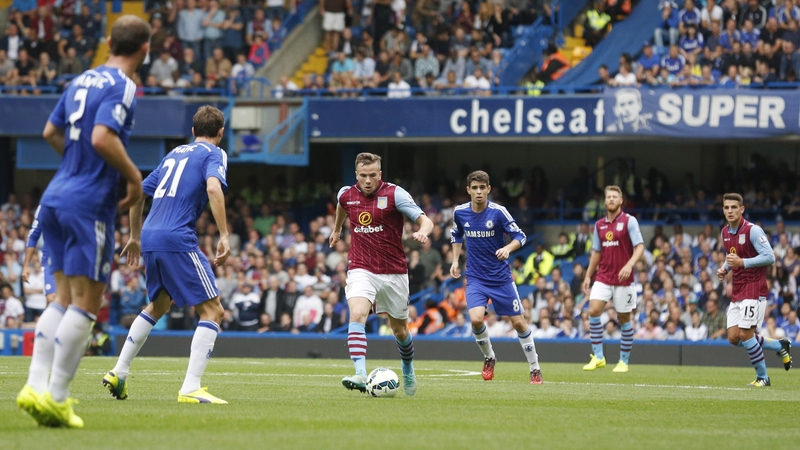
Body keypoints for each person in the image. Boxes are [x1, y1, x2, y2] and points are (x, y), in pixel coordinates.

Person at [16, 15, 151, 429]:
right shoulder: (123, 85)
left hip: (55, 195)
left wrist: (76, 167)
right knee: (86, 304)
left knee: (61, 299)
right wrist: (133, 178)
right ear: (144, 50)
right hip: (88, 204)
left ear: (109, 41)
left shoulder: (81, 79)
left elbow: (50, 132)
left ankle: (35, 388)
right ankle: (57, 397)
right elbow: (101, 137)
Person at [102, 106, 231, 404]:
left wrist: (134, 235)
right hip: (177, 237)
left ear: (193, 131)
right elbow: (214, 188)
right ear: (221, 132)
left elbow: (138, 191)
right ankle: (190, 387)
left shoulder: (173, 154)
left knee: (158, 305)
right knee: (213, 312)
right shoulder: (215, 153)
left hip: (150, 235)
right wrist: (224, 234)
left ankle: (119, 372)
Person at [331, 152, 433, 396]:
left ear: (380, 174)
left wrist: (424, 231)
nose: (368, 180)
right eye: (363, 176)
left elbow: (424, 219)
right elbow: (341, 207)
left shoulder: (394, 194)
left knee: (399, 330)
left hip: (393, 271)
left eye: (373, 176)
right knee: (357, 313)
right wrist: (336, 230)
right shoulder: (346, 194)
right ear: (356, 175)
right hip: (360, 266)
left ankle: (407, 368)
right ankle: (360, 373)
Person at [450, 170, 542, 384]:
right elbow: (456, 235)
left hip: (501, 278)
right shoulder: (460, 212)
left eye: (483, 188)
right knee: (475, 320)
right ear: (468, 190)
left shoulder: (499, 212)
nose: (479, 192)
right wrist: (455, 261)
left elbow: (521, 236)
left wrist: (508, 248)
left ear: (489, 189)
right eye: (475, 188)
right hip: (475, 278)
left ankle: (535, 368)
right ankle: (490, 357)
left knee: (518, 323)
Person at [716, 193, 792, 386]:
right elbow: (731, 255)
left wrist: (743, 262)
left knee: (746, 334)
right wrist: (725, 268)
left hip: (755, 288)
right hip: (738, 289)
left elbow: (770, 257)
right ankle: (778, 345)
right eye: (727, 208)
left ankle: (763, 377)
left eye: (734, 207)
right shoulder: (725, 232)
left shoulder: (753, 230)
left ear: (742, 209)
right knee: (734, 337)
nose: (730, 211)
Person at [582, 185, 645, 373]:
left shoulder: (629, 221)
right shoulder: (599, 224)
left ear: (621, 200)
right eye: (608, 197)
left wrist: (629, 264)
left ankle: (623, 361)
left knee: (623, 317)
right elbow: (596, 252)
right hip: (603, 276)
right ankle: (599, 357)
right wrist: (587, 275)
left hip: (624, 278)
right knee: (593, 311)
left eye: (614, 197)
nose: (610, 199)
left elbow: (640, 247)